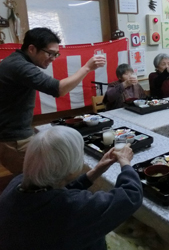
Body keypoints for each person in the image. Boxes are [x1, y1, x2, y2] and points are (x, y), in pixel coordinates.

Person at [0, 126, 143, 250]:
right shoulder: (73, 208)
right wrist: (125, 163)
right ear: (68, 168)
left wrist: (97, 170)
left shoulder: (17, 184)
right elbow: (131, 196)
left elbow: (56, 192)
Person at [0, 27, 106, 175]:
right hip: (13, 139)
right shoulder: (19, 66)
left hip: (15, 134)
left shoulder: (15, 61)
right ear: (32, 48)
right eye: (50, 53)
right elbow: (58, 89)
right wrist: (87, 67)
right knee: (36, 181)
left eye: (56, 54)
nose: (53, 58)